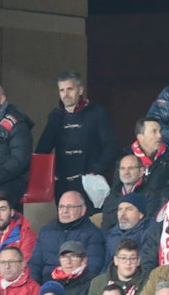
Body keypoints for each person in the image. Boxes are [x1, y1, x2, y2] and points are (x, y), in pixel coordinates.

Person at [36, 70, 115, 199]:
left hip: (90, 184)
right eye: (62, 90)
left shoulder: (97, 113)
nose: (65, 94)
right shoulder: (55, 118)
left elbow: (111, 146)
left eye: (69, 89)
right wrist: (50, 175)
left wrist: (96, 170)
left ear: (80, 89)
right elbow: (41, 151)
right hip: (63, 186)